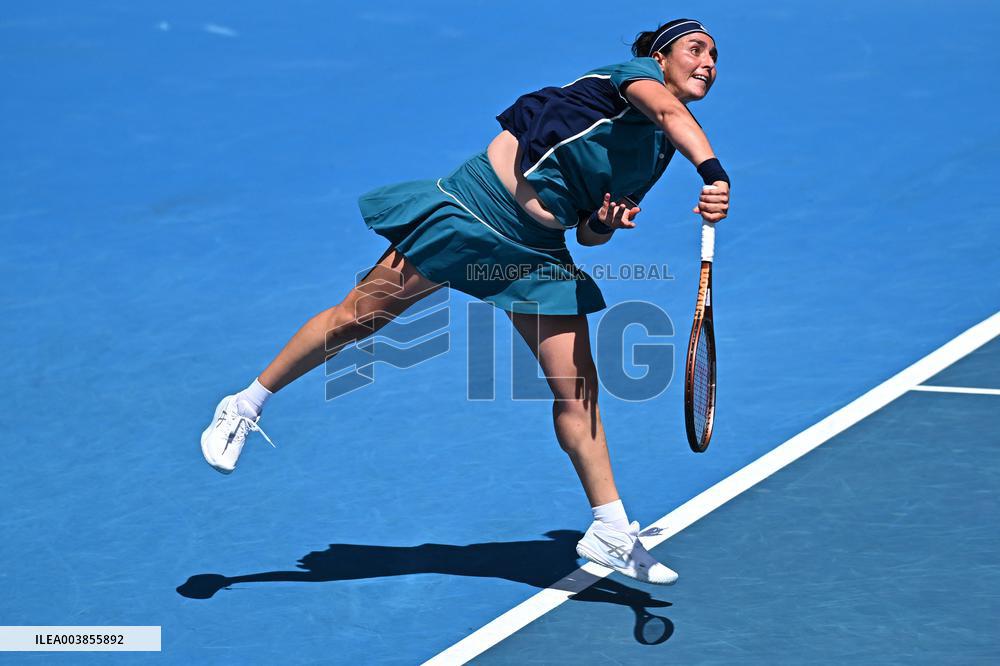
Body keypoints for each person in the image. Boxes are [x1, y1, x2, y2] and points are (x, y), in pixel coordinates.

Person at [200, 18, 730, 585]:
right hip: (475, 208)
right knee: (361, 317)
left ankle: (609, 529)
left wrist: (604, 221)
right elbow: (675, 116)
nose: (708, 63)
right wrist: (715, 172)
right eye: (695, 49)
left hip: (538, 249)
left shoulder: (657, 154)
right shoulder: (631, 79)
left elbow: (591, 234)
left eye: (716, 57)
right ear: (659, 57)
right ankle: (246, 404)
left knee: (577, 388)